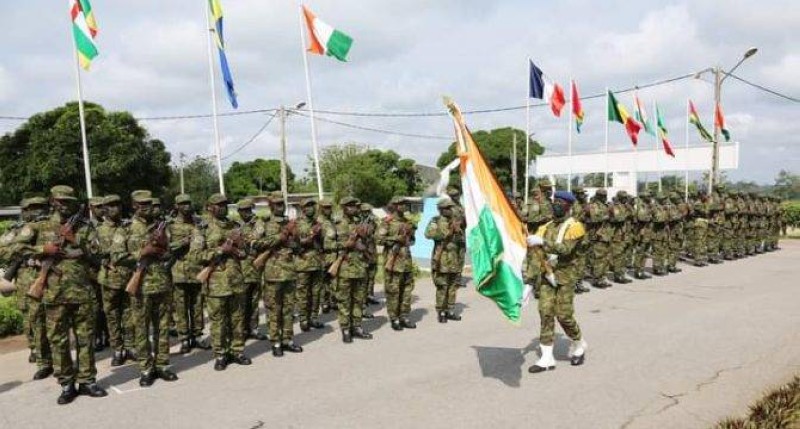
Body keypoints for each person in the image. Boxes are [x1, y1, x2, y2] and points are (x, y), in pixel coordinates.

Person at [38, 186, 107, 404]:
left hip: (82, 292)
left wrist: (75, 240)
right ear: (52, 201)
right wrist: (43, 249)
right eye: (61, 201)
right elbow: (8, 248)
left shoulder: (84, 227)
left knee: (86, 339)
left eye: (69, 201)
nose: (65, 205)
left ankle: (87, 380)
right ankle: (67, 384)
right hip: (54, 293)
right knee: (58, 341)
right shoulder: (40, 226)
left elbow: (100, 254)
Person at [113, 190, 178, 387]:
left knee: (163, 327)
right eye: (141, 204)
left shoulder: (161, 227)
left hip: (161, 284)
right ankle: (146, 368)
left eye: (148, 204)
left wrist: (162, 250)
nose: (146, 207)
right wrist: (142, 252)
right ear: (133, 206)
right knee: (141, 330)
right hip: (140, 287)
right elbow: (116, 257)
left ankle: (162, 365)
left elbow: (170, 254)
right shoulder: (125, 229)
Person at [527, 191, 587, 374]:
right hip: (547, 276)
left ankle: (579, 342)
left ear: (569, 206)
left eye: (560, 202)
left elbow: (565, 250)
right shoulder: (545, 227)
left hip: (565, 277)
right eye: (555, 202)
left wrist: (542, 242)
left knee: (564, 316)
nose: (556, 205)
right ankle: (546, 358)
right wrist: (529, 282)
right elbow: (536, 256)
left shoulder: (575, 227)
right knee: (545, 312)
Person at [190, 193, 252, 370]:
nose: (223, 207)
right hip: (216, 282)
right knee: (218, 321)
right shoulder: (202, 228)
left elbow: (245, 253)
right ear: (210, 207)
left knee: (237, 319)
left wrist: (239, 248)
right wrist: (220, 251)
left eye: (225, 204)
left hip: (236, 280)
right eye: (218, 205)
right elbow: (195, 256)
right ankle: (220, 354)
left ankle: (237, 351)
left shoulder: (235, 226)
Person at [2, 196, 53, 380]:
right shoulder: (17, 231)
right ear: (24, 211)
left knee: (55, 321)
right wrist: (33, 252)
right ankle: (43, 360)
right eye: (32, 208)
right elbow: (4, 250)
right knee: (35, 320)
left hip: (54, 278)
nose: (37, 211)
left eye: (40, 207)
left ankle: (57, 357)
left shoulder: (53, 225)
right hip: (28, 279)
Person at [257, 192, 303, 357]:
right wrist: (282, 236)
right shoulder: (263, 223)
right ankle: (276, 342)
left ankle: (288, 340)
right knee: (274, 310)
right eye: (276, 204)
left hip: (289, 271)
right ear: (270, 206)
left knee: (289, 309)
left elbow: (298, 248)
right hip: (273, 273)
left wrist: (294, 238)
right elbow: (255, 243)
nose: (280, 207)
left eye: (282, 204)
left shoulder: (290, 223)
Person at [96, 194, 134, 366]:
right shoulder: (98, 230)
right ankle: (117, 349)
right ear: (104, 209)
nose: (115, 209)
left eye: (118, 205)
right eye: (111, 206)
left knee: (129, 314)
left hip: (129, 277)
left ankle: (130, 346)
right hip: (110, 279)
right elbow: (94, 253)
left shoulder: (129, 226)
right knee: (112, 316)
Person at [333, 197, 373, 343]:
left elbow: (368, 241)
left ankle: (357, 326)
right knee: (344, 300)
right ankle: (345, 329)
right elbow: (330, 244)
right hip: (344, 267)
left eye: (355, 206)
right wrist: (348, 244)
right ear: (344, 207)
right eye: (350, 206)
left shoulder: (359, 223)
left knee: (358, 299)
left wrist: (365, 238)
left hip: (360, 266)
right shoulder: (337, 223)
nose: (354, 208)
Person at [169, 194, 207, 353]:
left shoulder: (199, 223)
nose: (186, 206)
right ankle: (184, 338)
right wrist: (181, 243)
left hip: (197, 270)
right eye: (182, 204)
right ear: (176, 206)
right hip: (179, 272)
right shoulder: (169, 225)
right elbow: (165, 247)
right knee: (181, 308)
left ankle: (197, 336)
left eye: (188, 203)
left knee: (197, 306)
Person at [425, 198, 465, 323]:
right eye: (448, 208)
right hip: (441, 259)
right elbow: (428, 234)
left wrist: (458, 232)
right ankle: (441, 311)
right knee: (442, 286)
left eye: (451, 207)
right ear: (441, 209)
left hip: (454, 259)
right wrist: (447, 233)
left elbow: (461, 241)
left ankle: (450, 310)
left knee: (453, 286)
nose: (450, 210)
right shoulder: (435, 220)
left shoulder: (455, 221)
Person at [381, 197, 417, 331]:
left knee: (407, 291)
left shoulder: (408, 222)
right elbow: (379, 239)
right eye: (401, 204)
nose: (404, 206)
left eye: (405, 204)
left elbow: (412, 241)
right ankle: (394, 318)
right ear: (395, 206)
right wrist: (396, 238)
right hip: (393, 263)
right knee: (393, 292)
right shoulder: (387, 222)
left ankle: (404, 317)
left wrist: (409, 237)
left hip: (406, 261)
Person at [236, 198, 269, 340]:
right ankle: (242, 329)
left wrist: (242, 239)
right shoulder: (236, 224)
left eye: (248, 210)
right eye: (243, 210)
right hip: (239, 267)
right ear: (238, 212)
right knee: (241, 301)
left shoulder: (258, 223)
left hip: (254, 266)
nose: (246, 213)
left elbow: (256, 238)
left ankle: (253, 328)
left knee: (254, 299)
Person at [294, 198, 325, 332]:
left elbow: (323, 244)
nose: (311, 208)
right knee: (303, 294)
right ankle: (303, 320)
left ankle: (313, 318)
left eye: (313, 205)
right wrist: (312, 236)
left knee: (316, 293)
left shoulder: (318, 223)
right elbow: (294, 244)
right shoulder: (296, 224)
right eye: (308, 206)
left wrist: (319, 236)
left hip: (317, 263)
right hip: (303, 264)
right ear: (303, 209)